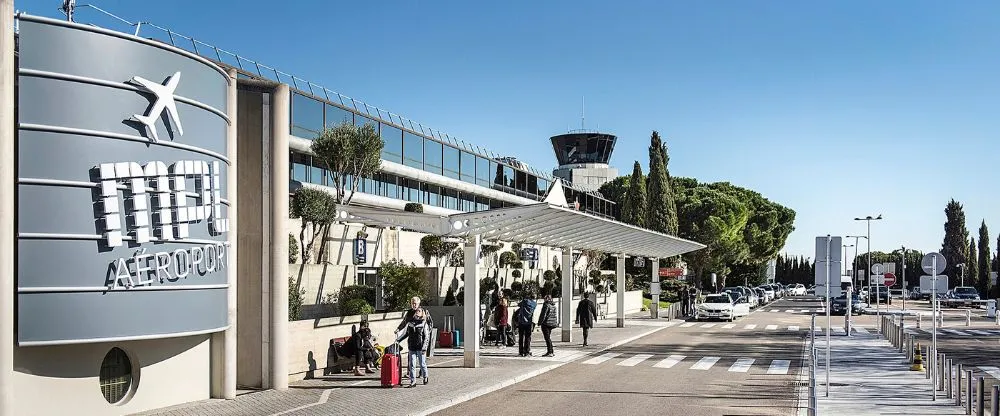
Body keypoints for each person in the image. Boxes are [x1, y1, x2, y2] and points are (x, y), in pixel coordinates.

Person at [395, 296, 433, 387]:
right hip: (412, 344)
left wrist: (426, 333)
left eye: (415, 303)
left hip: (421, 344)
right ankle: (413, 381)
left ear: (419, 304)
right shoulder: (409, 314)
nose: (414, 305)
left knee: (422, 363)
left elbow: (430, 323)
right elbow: (405, 324)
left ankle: (424, 376)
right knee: (411, 363)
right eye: (412, 303)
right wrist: (398, 331)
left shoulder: (425, 313)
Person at [515, 291, 537, 357]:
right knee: (528, 337)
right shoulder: (534, 304)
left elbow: (518, 304)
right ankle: (527, 351)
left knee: (521, 337)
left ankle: (521, 352)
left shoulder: (524, 301)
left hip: (521, 321)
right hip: (529, 322)